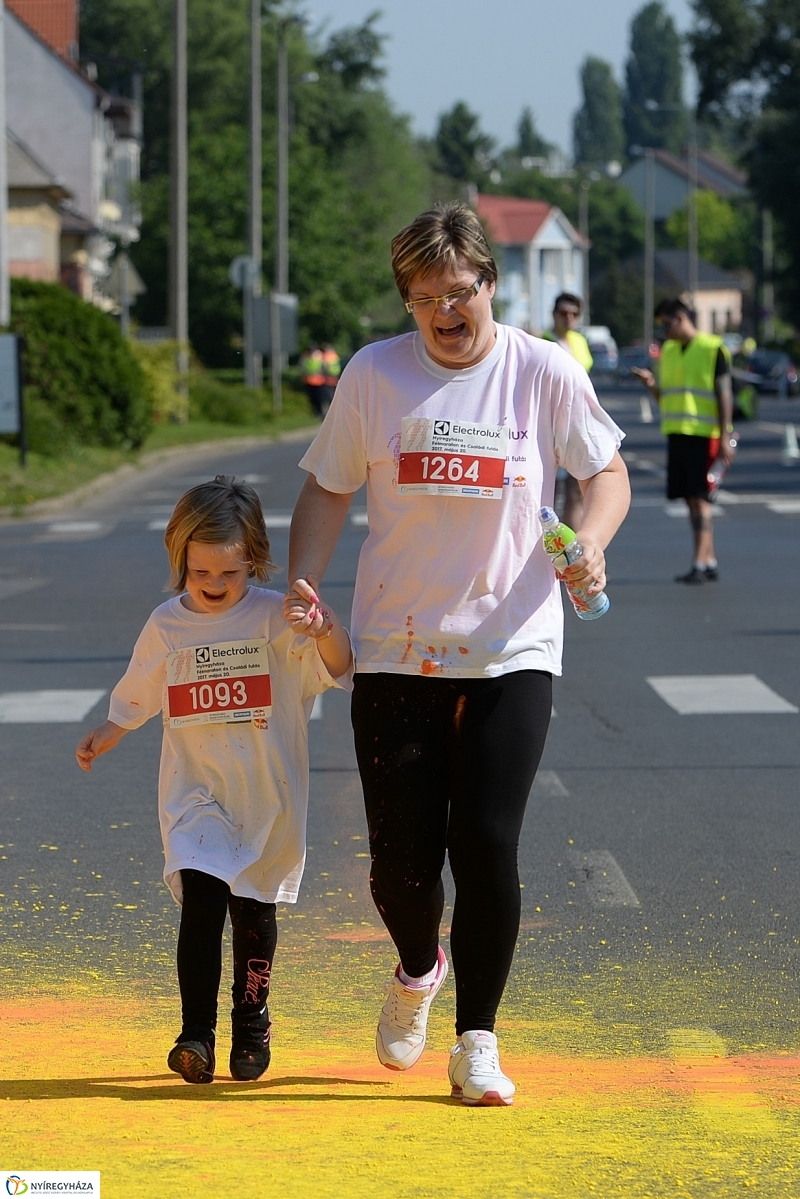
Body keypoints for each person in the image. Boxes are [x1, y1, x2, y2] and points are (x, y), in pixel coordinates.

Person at [287, 202, 630, 1106]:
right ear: (407, 300)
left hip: (512, 646)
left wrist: (591, 536)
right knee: (400, 863)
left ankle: (478, 1036)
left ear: (490, 286)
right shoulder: (373, 376)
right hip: (396, 646)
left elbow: (605, 472)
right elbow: (327, 487)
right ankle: (415, 965)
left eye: (462, 290)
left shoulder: (541, 370)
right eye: (425, 296)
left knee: (485, 842)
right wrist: (305, 584)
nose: (447, 310)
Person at [76, 476, 352, 1085]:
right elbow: (142, 689)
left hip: (267, 798)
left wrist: (323, 626)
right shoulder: (167, 626)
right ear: (181, 561)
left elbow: (339, 667)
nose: (214, 587)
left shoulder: (276, 620)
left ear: (253, 560)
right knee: (201, 904)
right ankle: (194, 1032)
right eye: (200, 574)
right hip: (194, 795)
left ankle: (251, 1022)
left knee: (254, 911)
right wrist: (111, 730)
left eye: (228, 575)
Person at [632, 298, 734, 584]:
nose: (664, 331)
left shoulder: (712, 348)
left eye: (666, 323)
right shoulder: (670, 351)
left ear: (680, 318)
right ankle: (709, 558)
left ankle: (700, 562)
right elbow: (666, 397)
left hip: (705, 435)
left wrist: (725, 437)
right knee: (690, 499)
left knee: (701, 498)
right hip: (677, 431)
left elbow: (725, 395)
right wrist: (651, 385)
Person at [541, 293, 594, 529]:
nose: (568, 319)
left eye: (574, 314)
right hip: (549, 424)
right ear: (554, 314)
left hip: (577, 422)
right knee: (548, 495)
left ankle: (570, 552)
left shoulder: (580, 342)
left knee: (575, 491)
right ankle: (544, 551)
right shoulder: (542, 342)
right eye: (563, 313)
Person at [300, 344, 326, 417]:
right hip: (309, 381)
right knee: (312, 398)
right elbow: (303, 368)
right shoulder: (305, 357)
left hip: (318, 381)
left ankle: (320, 411)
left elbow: (323, 368)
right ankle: (315, 412)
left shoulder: (318, 356)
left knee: (319, 398)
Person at [321, 343, 341, 415]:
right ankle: (335, 410)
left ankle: (330, 411)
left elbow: (324, 367)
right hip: (335, 377)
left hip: (327, 378)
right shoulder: (335, 355)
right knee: (334, 395)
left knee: (327, 396)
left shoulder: (325, 356)